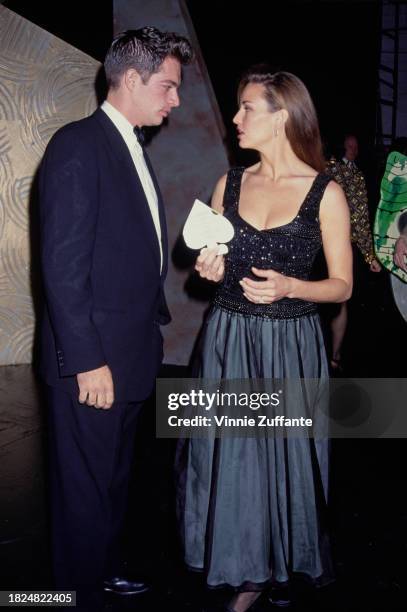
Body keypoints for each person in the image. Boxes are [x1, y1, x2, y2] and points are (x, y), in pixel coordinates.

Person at [177, 67, 352, 612]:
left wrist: (293, 286)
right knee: (231, 459)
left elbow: (342, 285)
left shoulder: (326, 193)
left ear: (281, 117)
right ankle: (244, 569)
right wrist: (210, 268)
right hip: (228, 338)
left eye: (246, 108)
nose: (235, 119)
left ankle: (272, 567)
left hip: (291, 346)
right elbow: (214, 264)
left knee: (284, 462)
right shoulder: (229, 183)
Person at [39, 27, 192, 607]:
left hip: (127, 356)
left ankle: (100, 572)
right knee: (82, 491)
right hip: (93, 364)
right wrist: (87, 361)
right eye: (169, 87)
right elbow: (63, 267)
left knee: (111, 483)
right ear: (132, 79)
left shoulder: (128, 145)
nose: (175, 100)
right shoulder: (79, 145)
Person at [326, 134, 380, 370]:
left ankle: (334, 355)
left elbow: (361, 219)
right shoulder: (325, 168)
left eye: (357, 147)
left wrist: (369, 255)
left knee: (341, 301)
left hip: (344, 248)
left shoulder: (356, 175)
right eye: (350, 146)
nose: (354, 150)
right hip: (317, 246)